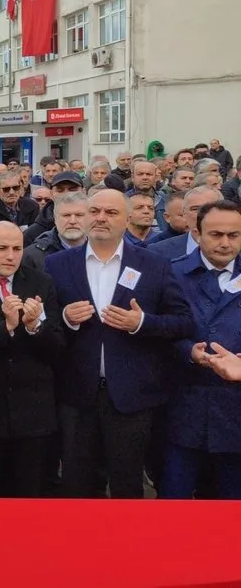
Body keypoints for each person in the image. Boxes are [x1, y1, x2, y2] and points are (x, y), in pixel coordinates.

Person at [45, 189, 196, 498]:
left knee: (127, 484)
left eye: (111, 213)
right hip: (76, 395)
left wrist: (141, 323)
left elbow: (183, 322)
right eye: (95, 211)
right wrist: (66, 318)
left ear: (127, 219)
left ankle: (125, 546)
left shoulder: (153, 264)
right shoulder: (56, 264)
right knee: (77, 483)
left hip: (132, 397)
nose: (101, 218)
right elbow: (43, 327)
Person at [0, 222, 65, 497]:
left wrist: (33, 327)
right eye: (2, 248)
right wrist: (5, 327)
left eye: (17, 248)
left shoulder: (41, 282)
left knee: (31, 499)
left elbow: (56, 348)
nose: (10, 256)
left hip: (33, 416)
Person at [163, 200, 241, 499]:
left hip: (235, 413)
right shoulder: (171, 273)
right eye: (216, 234)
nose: (224, 243)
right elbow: (156, 335)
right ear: (197, 233)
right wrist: (187, 352)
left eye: (233, 235)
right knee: (174, 500)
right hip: (183, 407)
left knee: (231, 509)